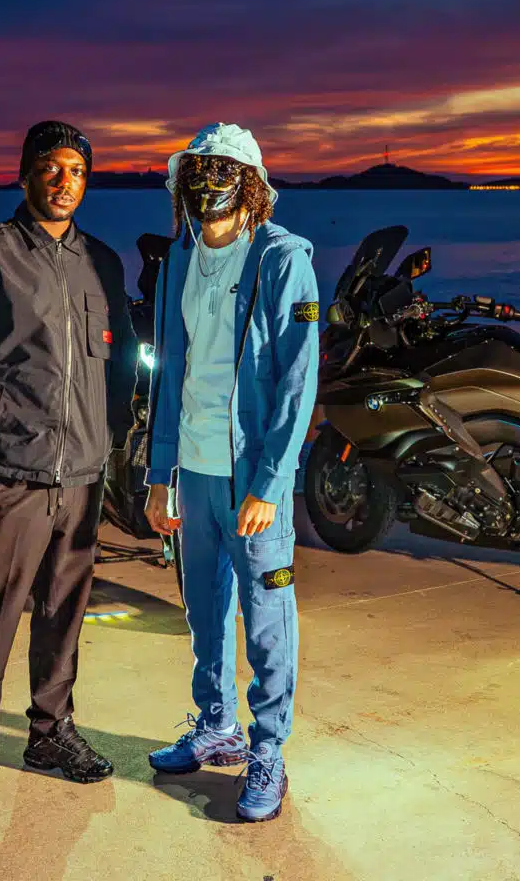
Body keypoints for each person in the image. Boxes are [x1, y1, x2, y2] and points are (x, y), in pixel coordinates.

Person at [0, 120, 137, 818]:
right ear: (26, 174)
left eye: (77, 171)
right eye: (51, 168)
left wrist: (116, 448)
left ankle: (50, 736)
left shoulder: (102, 262)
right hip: (12, 476)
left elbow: (121, 360)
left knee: (64, 615)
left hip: (83, 476)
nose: (64, 182)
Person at [143, 122, 319, 823]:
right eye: (197, 170)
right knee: (205, 610)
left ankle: (268, 752)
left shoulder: (282, 259)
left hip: (251, 479)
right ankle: (216, 724)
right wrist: (160, 474)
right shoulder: (180, 260)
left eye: (222, 170)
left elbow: (298, 382)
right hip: (194, 470)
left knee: (267, 619)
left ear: (250, 184)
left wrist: (271, 485)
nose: (207, 182)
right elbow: (169, 374)